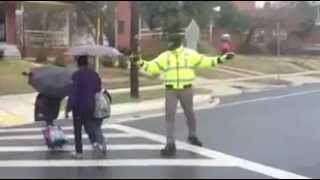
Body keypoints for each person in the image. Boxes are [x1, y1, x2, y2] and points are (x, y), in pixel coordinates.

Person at [135, 32, 235, 156]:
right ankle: (170, 144)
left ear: (177, 42)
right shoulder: (165, 56)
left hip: (186, 89)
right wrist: (139, 62)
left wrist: (222, 58)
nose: (168, 44)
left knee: (190, 114)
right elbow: (152, 67)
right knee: (169, 116)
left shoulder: (190, 54)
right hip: (170, 90)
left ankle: (192, 136)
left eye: (170, 41)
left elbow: (206, 61)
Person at [66, 55, 106, 159]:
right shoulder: (95, 75)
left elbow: (73, 93)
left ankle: (79, 153)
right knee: (90, 127)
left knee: (78, 130)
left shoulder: (76, 75)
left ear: (78, 64)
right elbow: (98, 89)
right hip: (91, 105)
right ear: (87, 63)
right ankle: (96, 144)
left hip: (79, 106)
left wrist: (68, 108)